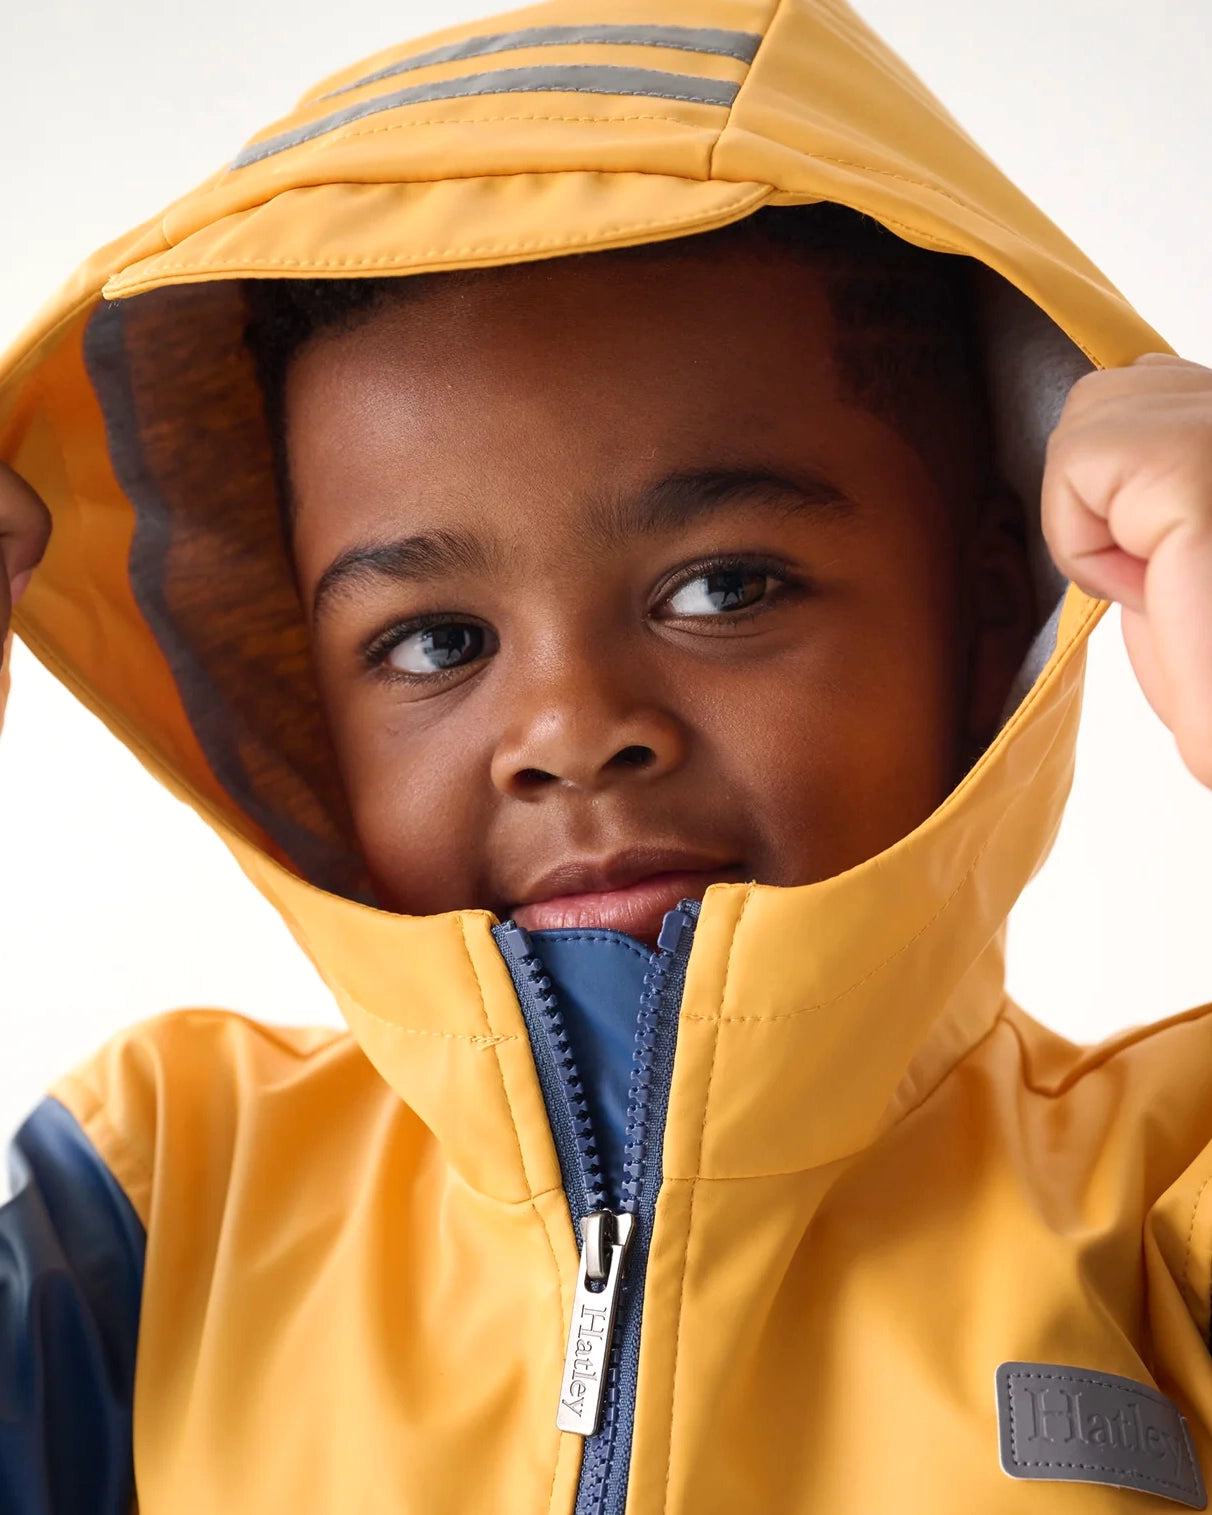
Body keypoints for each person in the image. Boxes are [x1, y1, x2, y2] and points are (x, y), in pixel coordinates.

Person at [1, 1, 1211, 1511]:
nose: (574, 731)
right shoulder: (171, 1191)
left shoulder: (1172, 1186)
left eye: (725, 587)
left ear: (988, 611)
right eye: (435, 642)